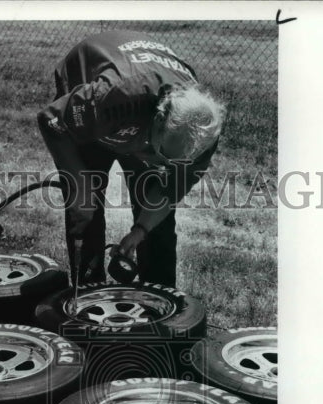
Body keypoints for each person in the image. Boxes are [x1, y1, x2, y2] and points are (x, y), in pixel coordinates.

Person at [37, 30, 225, 288]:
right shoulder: (114, 97)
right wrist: (80, 185)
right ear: (158, 121)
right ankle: (87, 293)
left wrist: (140, 231)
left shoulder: (203, 133)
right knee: (86, 209)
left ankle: (161, 299)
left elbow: (168, 192)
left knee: (158, 222)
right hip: (99, 107)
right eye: (167, 157)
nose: (169, 167)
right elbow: (52, 119)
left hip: (141, 124)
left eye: (180, 163)